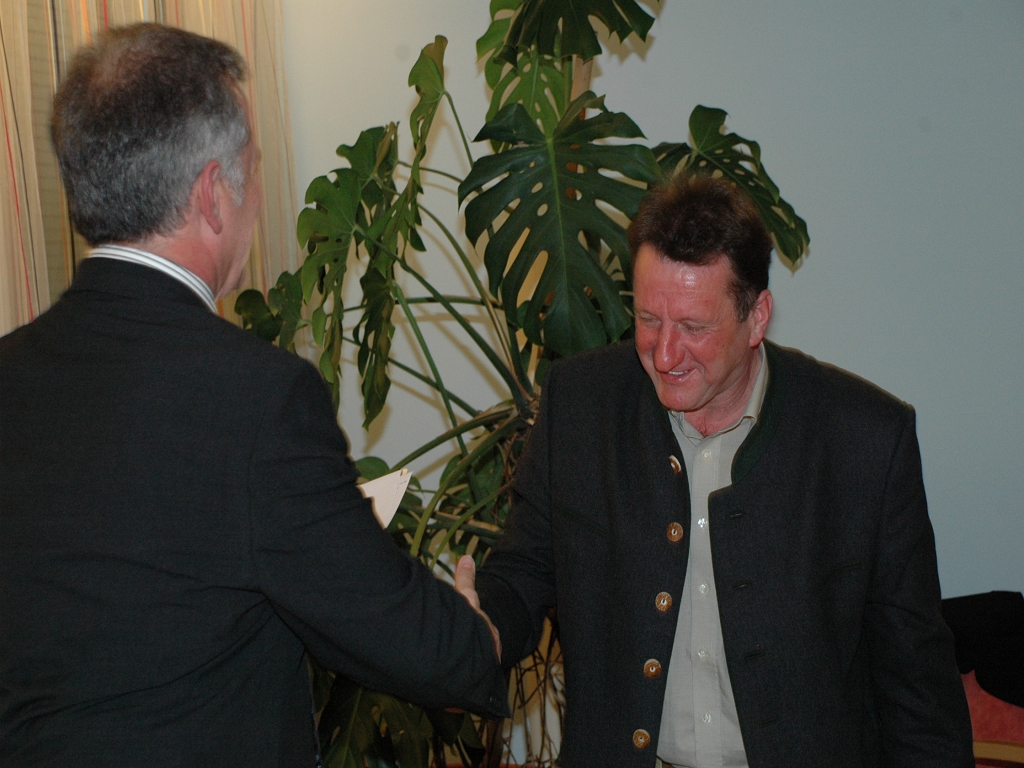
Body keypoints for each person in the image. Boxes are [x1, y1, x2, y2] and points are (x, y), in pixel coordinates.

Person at [0, 24, 505, 766]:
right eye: (254, 168)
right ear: (213, 194)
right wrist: (473, 638)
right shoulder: (259, 399)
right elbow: (414, 644)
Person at [470, 174, 973, 767]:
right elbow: (523, 573)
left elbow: (918, 691)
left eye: (693, 327)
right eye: (648, 319)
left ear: (757, 317)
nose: (664, 355)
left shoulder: (864, 440)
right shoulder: (580, 407)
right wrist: (479, 630)